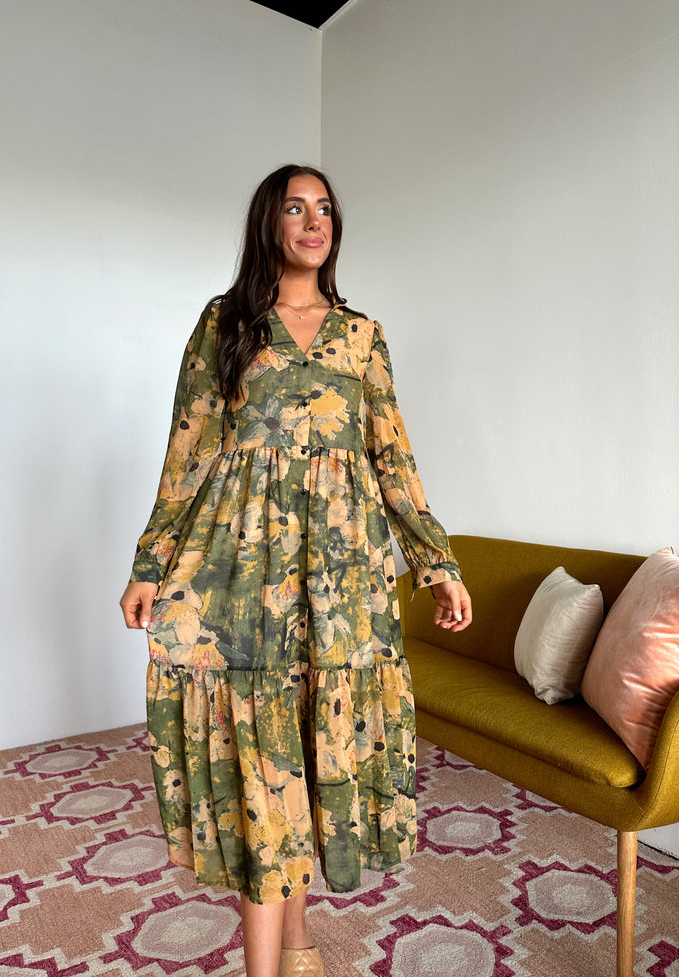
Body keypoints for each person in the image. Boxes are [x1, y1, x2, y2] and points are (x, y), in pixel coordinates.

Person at [120, 164, 472, 977]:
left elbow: (392, 458)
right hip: (245, 570)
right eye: (295, 208)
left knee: (311, 753)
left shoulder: (363, 336)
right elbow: (188, 451)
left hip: (343, 579)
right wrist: (150, 562)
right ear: (268, 224)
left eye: (325, 210)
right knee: (262, 763)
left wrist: (436, 562)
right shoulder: (225, 324)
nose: (314, 222)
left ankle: (300, 939)